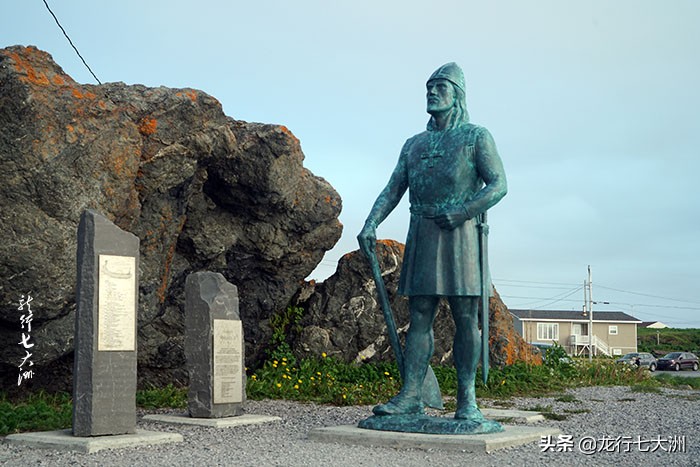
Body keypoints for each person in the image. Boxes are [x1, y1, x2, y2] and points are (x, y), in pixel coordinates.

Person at [357, 63, 507, 421]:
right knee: (420, 314)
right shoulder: (414, 145)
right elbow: (393, 189)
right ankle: (411, 394)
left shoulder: (476, 137)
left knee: (465, 316)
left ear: (457, 94)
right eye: (429, 87)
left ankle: (467, 398)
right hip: (423, 230)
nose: (432, 92)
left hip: (461, 235)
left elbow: (498, 184)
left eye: (441, 87)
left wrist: (464, 211)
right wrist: (371, 222)